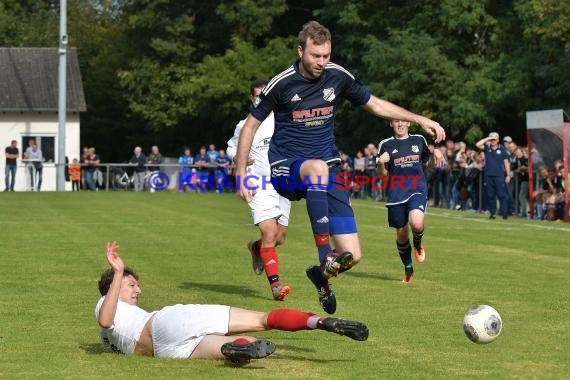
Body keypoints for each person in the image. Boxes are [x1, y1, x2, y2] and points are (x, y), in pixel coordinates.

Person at [234, 21, 445, 314]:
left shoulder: (337, 76)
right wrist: (241, 174)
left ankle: (320, 276)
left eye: (326, 55)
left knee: (353, 255)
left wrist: (420, 119)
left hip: (327, 169)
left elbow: (377, 105)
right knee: (318, 168)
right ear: (300, 51)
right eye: (315, 56)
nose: (321, 62)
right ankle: (324, 255)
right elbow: (251, 126)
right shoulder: (282, 83)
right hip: (287, 166)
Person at [95, 242, 368, 364]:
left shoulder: (109, 337)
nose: (138, 290)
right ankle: (321, 322)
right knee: (261, 320)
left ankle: (237, 349)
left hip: (164, 351)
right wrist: (119, 273)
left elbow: (110, 333)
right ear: (112, 289)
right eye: (132, 285)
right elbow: (106, 320)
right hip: (166, 324)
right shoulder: (104, 304)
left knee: (242, 344)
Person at [227, 79, 292, 301]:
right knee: (269, 233)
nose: (261, 100)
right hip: (258, 183)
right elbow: (231, 148)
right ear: (251, 98)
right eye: (257, 96)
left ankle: (256, 249)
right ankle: (276, 286)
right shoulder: (245, 124)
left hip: (283, 183)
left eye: (264, 95)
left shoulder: (285, 120)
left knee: (280, 238)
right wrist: (237, 158)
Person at [377, 119, 445, 283]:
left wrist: (435, 154)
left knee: (416, 223)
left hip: (417, 189)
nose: (400, 124)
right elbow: (382, 176)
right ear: (391, 124)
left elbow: (428, 165)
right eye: (396, 122)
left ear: (409, 123)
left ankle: (418, 243)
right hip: (396, 193)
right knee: (401, 233)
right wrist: (380, 163)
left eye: (403, 121)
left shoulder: (418, 140)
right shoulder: (385, 145)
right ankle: (408, 268)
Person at [476, 132, 511, 219]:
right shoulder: (487, 148)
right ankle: (492, 213)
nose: (493, 141)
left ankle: (504, 213)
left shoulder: (502, 149)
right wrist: (488, 138)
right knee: (490, 195)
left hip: (499, 176)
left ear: (498, 140)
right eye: (492, 140)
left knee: (502, 195)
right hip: (488, 175)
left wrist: (508, 175)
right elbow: (478, 144)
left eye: (494, 139)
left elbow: (506, 163)